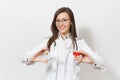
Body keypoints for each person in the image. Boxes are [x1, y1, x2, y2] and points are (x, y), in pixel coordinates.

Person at [22, 7, 106, 80]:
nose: (61, 24)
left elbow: (102, 64)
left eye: (64, 20)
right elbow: (24, 59)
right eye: (57, 21)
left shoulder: (79, 43)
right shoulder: (48, 42)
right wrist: (33, 58)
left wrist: (92, 61)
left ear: (71, 22)